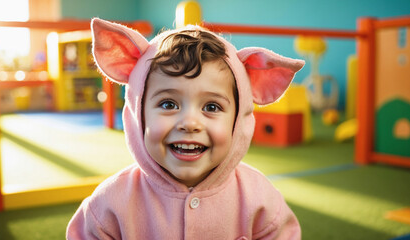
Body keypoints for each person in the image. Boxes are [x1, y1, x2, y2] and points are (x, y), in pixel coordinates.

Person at [67, 18, 305, 239]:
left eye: (211, 106)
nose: (190, 123)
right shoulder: (108, 206)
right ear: (139, 114)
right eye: (168, 104)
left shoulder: (261, 201)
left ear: (237, 120)